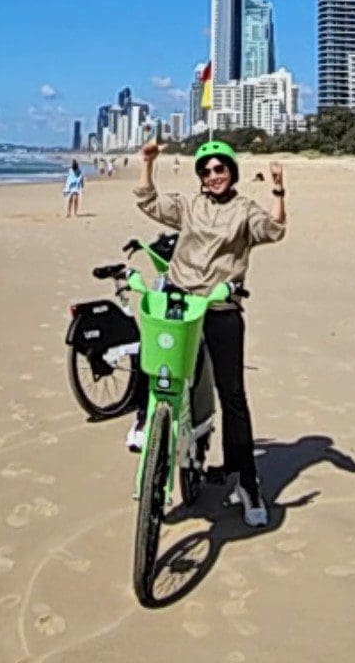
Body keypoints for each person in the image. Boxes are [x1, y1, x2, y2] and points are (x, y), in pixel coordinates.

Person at [131, 138, 286, 527]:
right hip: (180, 306)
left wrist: (278, 190)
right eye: (206, 170)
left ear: (231, 171)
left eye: (220, 168)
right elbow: (149, 202)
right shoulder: (189, 206)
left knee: (232, 395)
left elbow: (273, 230)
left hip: (220, 309)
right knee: (156, 367)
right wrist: (147, 162)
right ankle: (146, 427)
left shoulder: (244, 210)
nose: (213, 175)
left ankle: (247, 480)